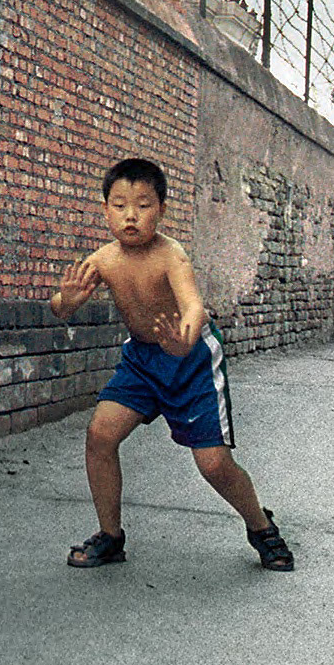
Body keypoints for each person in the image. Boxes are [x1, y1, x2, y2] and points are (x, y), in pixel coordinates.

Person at [50, 156, 293, 574]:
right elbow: (59, 306)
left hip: (190, 359)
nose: (131, 215)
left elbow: (194, 305)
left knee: (213, 463)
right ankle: (110, 537)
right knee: (100, 435)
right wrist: (66, 303)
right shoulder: (103, 260)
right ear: (105, 209)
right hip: (142, 362)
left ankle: (262, 528)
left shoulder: (171, 255)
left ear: (161, 210)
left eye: (143, 205)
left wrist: (184, 337)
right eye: (120, 204)